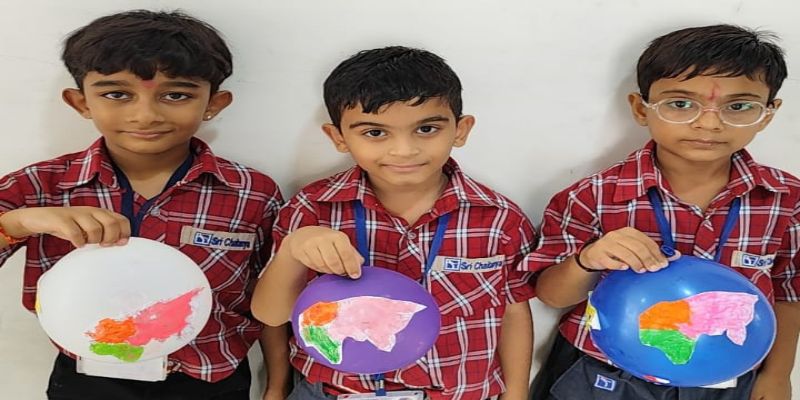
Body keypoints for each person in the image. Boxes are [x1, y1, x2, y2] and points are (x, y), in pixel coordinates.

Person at [0, 10, 289, 400]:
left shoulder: (251, 193)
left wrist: (276, 384)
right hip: (88, 378)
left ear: (214, 103)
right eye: (117, 94)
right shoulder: (41, 184)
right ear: (81, 102)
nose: (146, 115)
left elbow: (271, 296)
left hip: (208, 379)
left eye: (176, 95)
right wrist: (19, 223)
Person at [526, 25, 800, 400]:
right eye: (681, 104)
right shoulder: (593, 196)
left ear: (768, 114)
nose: (709, 123)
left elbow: (788, 291)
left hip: (728, 377)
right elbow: (551, 295)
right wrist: (587, 259)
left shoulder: (785, 199)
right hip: (604, 374)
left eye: (738, 107)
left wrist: (778, 374)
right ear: (641, 109)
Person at [252, 46, 536, 399]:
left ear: (461, 130)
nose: (404, 150)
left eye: (427, 128)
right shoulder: (311, 209)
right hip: (335, 391)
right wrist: (294, 250)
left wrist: (517, 392)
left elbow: (513, 311)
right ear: (338, 137)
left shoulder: (499, 218)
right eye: (375, 133)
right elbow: (271, 314)